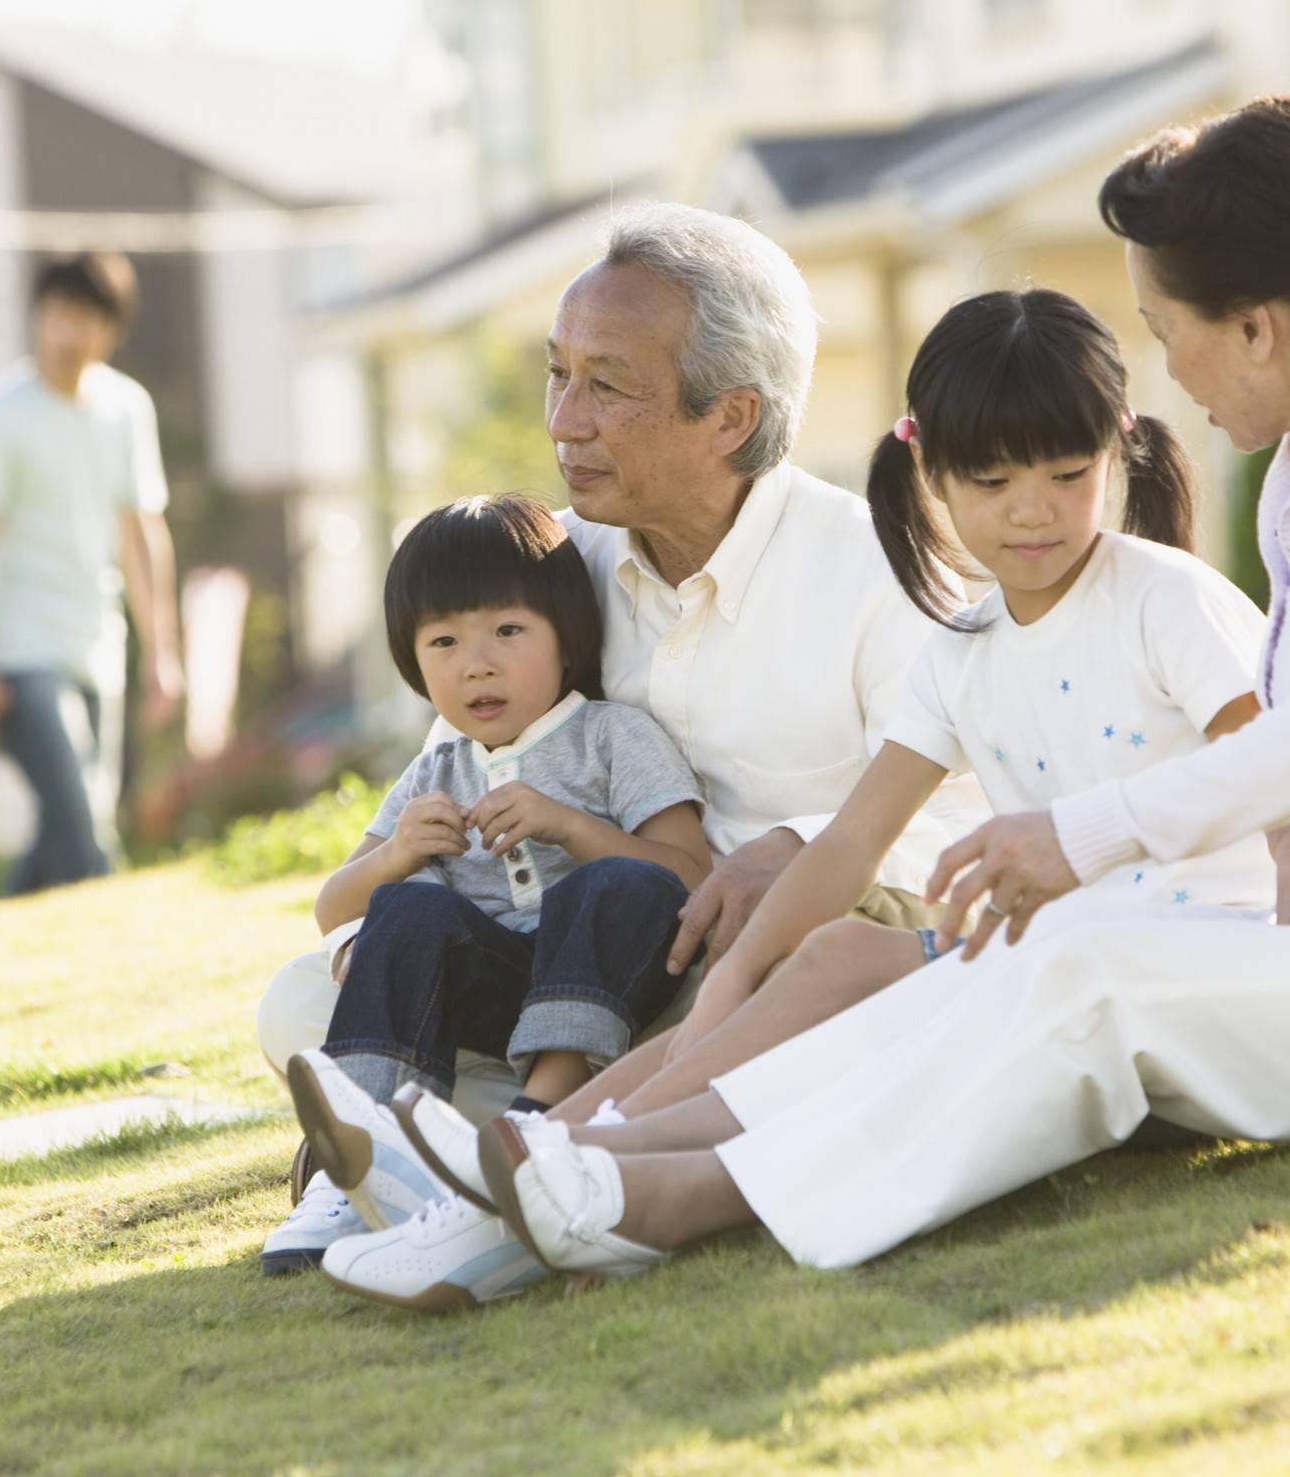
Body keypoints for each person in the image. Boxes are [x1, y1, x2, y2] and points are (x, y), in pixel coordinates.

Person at [474, 95, 1290, 1281]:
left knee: (1096, 974)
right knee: (1045, 951)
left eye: (1166, 324)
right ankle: (592, 1154)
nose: (1162, 363)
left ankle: (671, 1199)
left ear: (1253, 323)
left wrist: (1077, 837)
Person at [372, 289, 1290, 1271]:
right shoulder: (963, 650)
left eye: (1067, 475)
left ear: (1117, 450)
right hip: (1049, 949)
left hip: (1176, 952)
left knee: (841, 998)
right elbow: (851, 839)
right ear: (931, 475)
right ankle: (539, 1145)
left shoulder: (1164, 597)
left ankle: (582, 1163)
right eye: (989, 482)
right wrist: (731, 978)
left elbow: (1280, 754)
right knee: (833, 952)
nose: (1031, 510)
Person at [254, 203, 987, 1285]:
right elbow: (460, 748)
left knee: (807, 977)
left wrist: (799, 844)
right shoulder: (556, 562)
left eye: (607, 385)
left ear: (729, 415)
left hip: (774, 960)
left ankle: (496, 1161)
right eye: (558, 373)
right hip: (585, 965)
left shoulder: (874, 568)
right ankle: (483, 1154)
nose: (564, 419)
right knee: (306, 995)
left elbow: (979, 803)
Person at [281, 494, 713, 1281]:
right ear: (414, 661)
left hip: (614, 983)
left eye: (507, 632)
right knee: (406, 904)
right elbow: (331, 908)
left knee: (613, 880)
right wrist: (392, 858)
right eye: (444, 641)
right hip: (492, 989)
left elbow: (689, 874)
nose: (476, 663)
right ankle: (363, 1156)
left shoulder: (614, 736)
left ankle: (537, 1120)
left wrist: (571, 827)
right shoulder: (432, 772)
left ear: (566, 637)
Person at [0, 253, 183, 894]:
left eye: (82, 319)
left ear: (111, 330)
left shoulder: (126, 407)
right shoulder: (0, 412)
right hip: (19, 651)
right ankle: (123, 938)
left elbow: (142, 534)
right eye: (53, 316)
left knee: (71, 829)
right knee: (83, 828)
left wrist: (161, 651)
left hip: (96, 641)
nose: (65, 334)